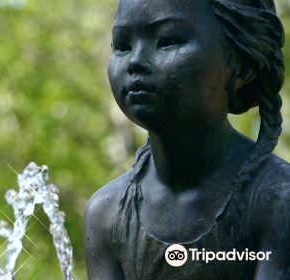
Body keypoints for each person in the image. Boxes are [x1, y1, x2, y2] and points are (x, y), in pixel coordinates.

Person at [84, 0, 290, 279]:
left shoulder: (277, 199)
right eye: (122, 45)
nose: (135, 61)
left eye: (167, 40)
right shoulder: (106, 214)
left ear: (239, 66)